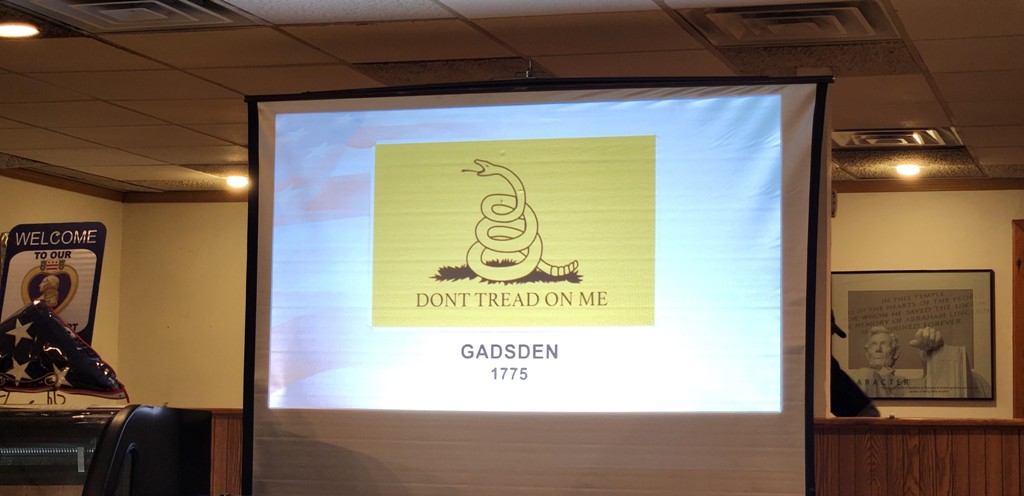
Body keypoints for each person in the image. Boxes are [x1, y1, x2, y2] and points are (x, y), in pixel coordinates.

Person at [848, 325, 990, 398]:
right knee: (864, 374)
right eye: (873, 344)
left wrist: (933, 354)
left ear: (895, 352)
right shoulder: (855, 378)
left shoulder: (906, 385)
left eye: (884, 344)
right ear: (867, 353)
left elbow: (930, 388)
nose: (878, 349)